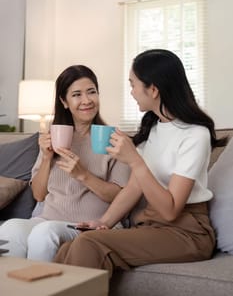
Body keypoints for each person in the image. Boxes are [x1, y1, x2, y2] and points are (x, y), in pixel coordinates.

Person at [53, 49, 228, 278]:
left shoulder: (195, 135)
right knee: (71, 246)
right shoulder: (154, 129)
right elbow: (134, 188)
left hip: (187, 232)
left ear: (153, 89)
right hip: (150, 226)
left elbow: (170, 210)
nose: (132, 92)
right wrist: (103, 222)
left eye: (133, 84)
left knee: (89, 245)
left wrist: (135, 160)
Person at [0, 65, 130, 261]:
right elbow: (39, 194)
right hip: (48, 219)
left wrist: (83, 175)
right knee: (9, 228)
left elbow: (119, 196)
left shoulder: (114, 139)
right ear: (64, 101)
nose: (86, 100)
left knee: (44, 234)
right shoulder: (55, 138)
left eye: (91, 92)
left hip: (88, 224)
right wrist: (45, 158)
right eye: (77, 94)